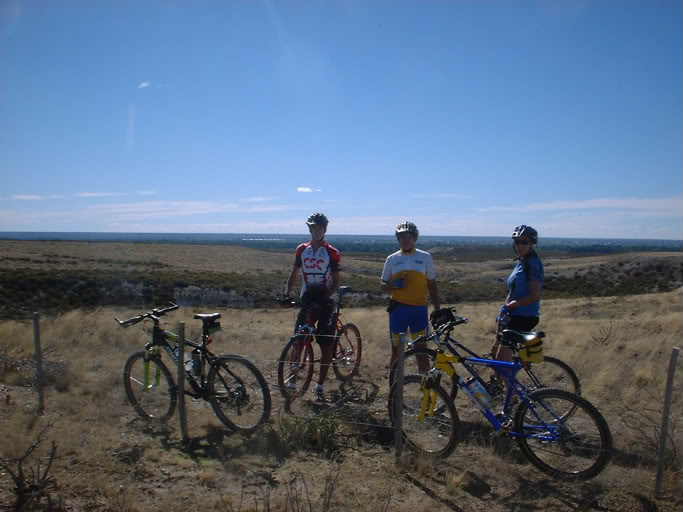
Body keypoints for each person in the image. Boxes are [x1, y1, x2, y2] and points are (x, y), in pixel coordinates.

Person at [284, 212, 341, 401]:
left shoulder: (332, 252)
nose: (317, 231)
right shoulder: (302, 250)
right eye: (314, 227)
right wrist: (287, 294)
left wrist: (326, 297)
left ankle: (320, 385)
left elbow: (336, 282)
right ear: (310, 229)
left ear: (325, 229)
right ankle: (292, 382)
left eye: (321, 228)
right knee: (298, 341)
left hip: (324, 301)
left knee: (325, 346)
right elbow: (294, 274)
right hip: (308, 299)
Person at [380, 221, 441, 372]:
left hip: (419, 310)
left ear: (414, 238)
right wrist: (394, 285)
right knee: (396, 351)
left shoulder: (425, 257)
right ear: (398, 239)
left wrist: (438, 309)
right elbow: (383, 285)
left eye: (409, 236)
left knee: (421, 351)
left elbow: (432, 285)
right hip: (398, 310)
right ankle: (394, 385)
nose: (405, 239)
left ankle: (425, 389)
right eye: (402, 237)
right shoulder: (392, 259)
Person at [491, 224, 544, 363]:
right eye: (517, 242)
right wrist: (504, 310)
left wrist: (515, 304)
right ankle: (501, 383)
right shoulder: (521, 262)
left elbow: (535, 295)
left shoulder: (533, 264)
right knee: (494, 351)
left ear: (532, 243)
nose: (520, 245)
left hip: (524, 316)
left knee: (501, 358)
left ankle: (508, 384)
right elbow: (512, 291)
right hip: (512, 315)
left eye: (524, 242)